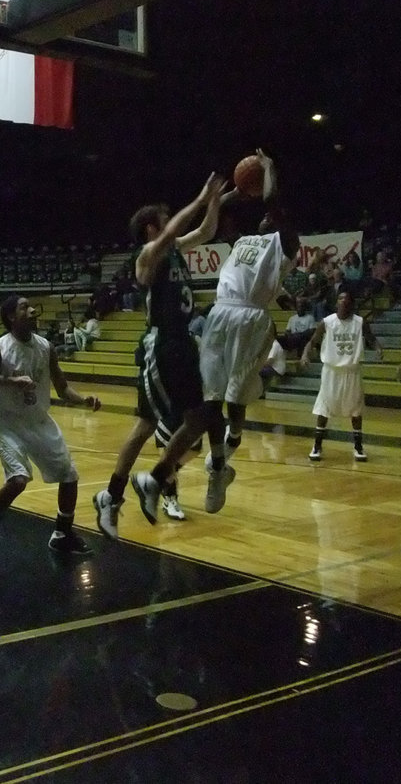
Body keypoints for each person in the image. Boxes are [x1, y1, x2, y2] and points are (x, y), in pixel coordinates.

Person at [92, 171, 229, 540]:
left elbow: (206, 233)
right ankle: (145, 484)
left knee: (156, 425)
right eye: (165, 221)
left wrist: (213, 202)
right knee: (188, 418)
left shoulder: (172, 250)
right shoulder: (148, 255)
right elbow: (174, 234)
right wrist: (200, 200)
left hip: (181, 342)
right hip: (163, 346)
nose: (171, 226)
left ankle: (117, 495)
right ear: (152, 229)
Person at [198, 152, 300, 494]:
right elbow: (218, 211)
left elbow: (273, 200)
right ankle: (217, 466)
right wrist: (236, 193)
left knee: (235, 397)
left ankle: (235, 437)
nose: (266, 218)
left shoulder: (286, 245)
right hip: (221, 311)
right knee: (211, 396)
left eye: (273, 216)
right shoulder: (241, 241)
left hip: (251, 316)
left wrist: (269, 167)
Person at [0, 295, 101, 562]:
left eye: (32, 307)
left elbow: (62, 387)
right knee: (19, 480)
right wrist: (11, 381)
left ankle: (62, 534)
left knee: (69, 475)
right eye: (25, 307)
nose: (33, 310)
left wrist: (84, 400)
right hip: (8, 421)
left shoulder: (46, 347)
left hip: (38, 420)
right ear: (11, 316)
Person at [299, 291, 382, 461]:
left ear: (351, 304)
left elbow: (371, 338)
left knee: (356, 410)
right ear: (336, 302)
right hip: (331, 371)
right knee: (324, 408)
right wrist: (305, 354)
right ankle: (317, 445)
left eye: (347, 300)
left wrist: (378, 348)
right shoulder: (327, 322)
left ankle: (358, 447)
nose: (343, 302)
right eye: (340, 299)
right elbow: (313, 341)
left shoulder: (360, 322)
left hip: (352, 370)